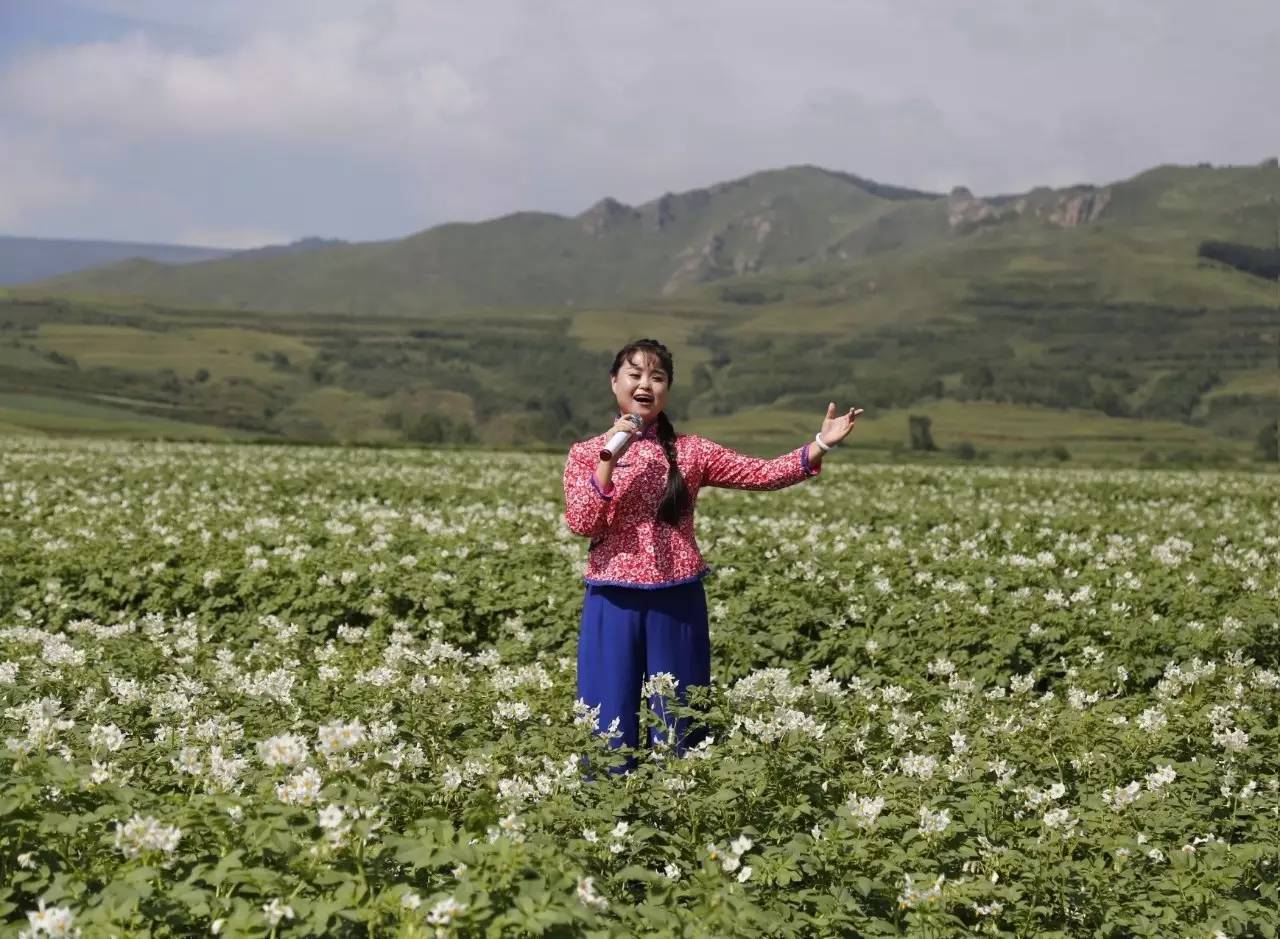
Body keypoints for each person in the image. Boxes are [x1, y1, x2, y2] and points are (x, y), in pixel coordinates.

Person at [562, 338, 861, 772]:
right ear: (614, 383)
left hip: (676, 596)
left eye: (657, 377)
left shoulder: (692, 451)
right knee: (606, 715)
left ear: (667, 390)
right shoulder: (585, 453)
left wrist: (820, 445)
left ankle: (682, 802)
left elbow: (761, 474)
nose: (646, 384)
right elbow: (582, 522)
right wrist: (610, 456)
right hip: (612, 597)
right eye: (635, 374)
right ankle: (608, 810)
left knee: (680, 714)